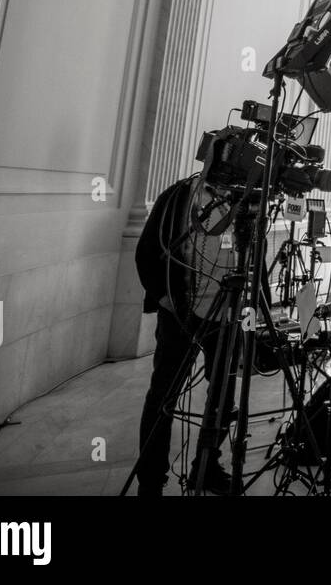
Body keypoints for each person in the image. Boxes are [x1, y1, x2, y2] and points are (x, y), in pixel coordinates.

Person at [133, 175, 238, 496]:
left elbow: (252, 257)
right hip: (181, 311)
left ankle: (206, 467)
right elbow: (147, 251)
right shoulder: (180, 196)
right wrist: (165, 299)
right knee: (163, 396)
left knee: (223, 397)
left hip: (224, 316)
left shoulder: (243, 202)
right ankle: (151, 481)